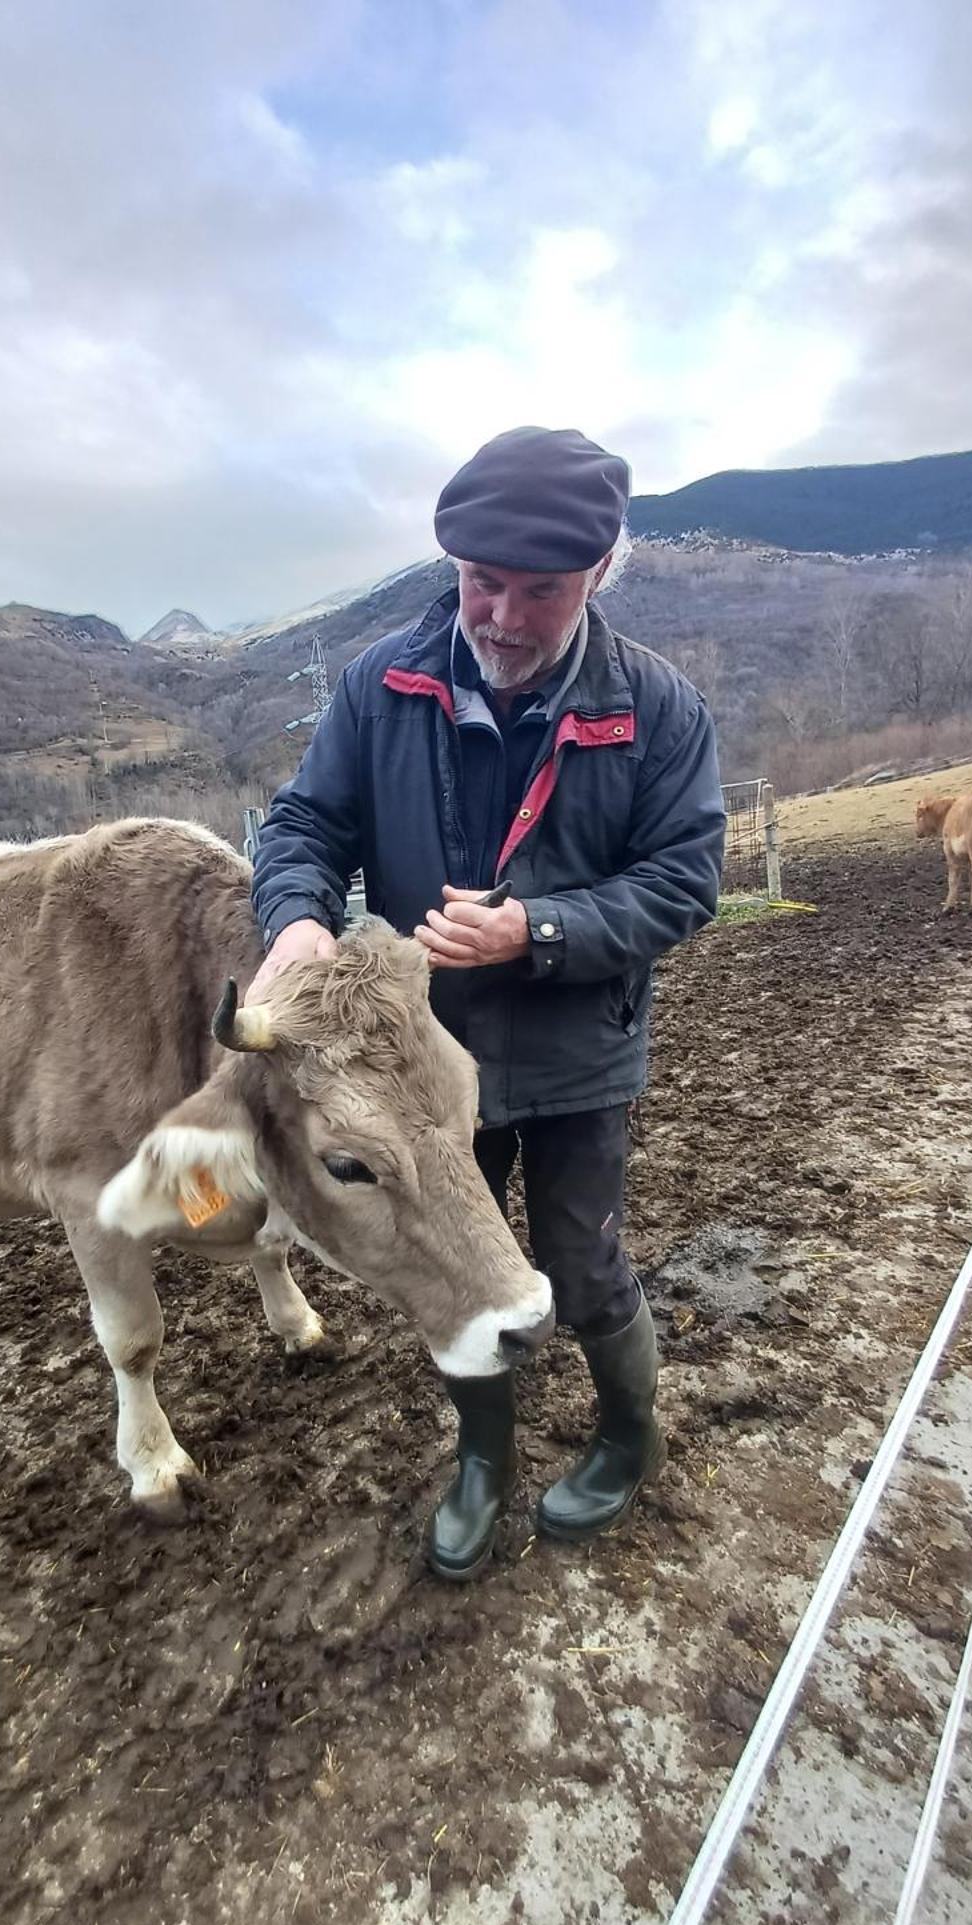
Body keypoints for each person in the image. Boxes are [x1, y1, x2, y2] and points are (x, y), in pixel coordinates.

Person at [249, 426, 726, 1581]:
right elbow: (307, 825)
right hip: (429, 1059)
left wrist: (539, 929)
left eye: (543, 592)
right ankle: (485, 1458)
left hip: (577, 1053)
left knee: (581, 1258)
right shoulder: (380, 684)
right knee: (456, 1256)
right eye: (482, 583)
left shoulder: (658, 708)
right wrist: (298, 918)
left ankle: (627, 1433)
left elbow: (684, 878)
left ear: (601, 573)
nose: (504, 615)